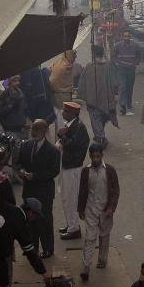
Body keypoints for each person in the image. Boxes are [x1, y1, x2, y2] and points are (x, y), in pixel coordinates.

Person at [14, 119, 60, 258]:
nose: (33, 132)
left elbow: (53, 171)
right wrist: (22, 172)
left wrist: (35, 176)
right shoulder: (26, 146)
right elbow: (18, 163)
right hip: (29, 190)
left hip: (44, 191)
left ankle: (48, 249)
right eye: (33, 129)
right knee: (30, 220)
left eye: (37, 130)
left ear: (44, 131)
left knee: (45, 221)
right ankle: (32, 247)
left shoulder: (52, 151)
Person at [78, 143, 120, 281]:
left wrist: (111, 208)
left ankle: (102, 259)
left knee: (104, 235)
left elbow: (115, 191)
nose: (95, 159)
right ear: (89, 156)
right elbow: (82, 191)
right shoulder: (86, 171)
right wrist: (80, 208)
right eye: (93, 156)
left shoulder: (110, 171)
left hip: (105, 210)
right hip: (90, 209)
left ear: (102, 155)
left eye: (98, 156)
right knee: (90, 238)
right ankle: (86, 267)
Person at [57, 102, 91, 240]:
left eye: (65, 111)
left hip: (72, 167)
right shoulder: (71, 125)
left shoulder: (78, 127)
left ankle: (74, 228)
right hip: (67, 165)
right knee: (66, 197)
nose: (63, 113)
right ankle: (70, 224)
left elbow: (72, 145)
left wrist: (61, 136)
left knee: (71, 198)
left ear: (73, 114)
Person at [78, 44, 119, 148]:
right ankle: (101, 136)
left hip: (93, 100)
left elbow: (82, 83)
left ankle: (100, 137)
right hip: (106, 99)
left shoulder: (89, 66)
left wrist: (84, 95)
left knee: (96, 119)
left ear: (94, 54)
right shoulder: (108, 66)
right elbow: (114, 82)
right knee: (101, 118)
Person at [114, 31, 142, 115]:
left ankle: (128, 103)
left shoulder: (135, 46)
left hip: (131, 69)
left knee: (129, 87)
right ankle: (123, 105)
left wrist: (136, 62)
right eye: (125, 36)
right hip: (121, 69)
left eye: (128, 36)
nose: (126, 38)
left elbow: (138, 55)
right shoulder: (117, 46)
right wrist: (116, 63)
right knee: (122, 86)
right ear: (122, 37)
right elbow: (113, 56)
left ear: (130, 37)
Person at [49, 50, 77, 131]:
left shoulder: (60, 62)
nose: (75, 56)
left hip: (59, 96)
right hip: (62, 97)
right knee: (63, 122)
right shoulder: (65, 66)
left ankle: (62, 140)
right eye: (74, 54)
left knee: (61, 121)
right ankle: (63, 141)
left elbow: (52, 79)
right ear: (69, 55)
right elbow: (53, 81)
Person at [0, 75, 27, 140]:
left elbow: (24, 108)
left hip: (21, 127)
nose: (17, 83)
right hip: (10, 127)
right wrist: (11, 106)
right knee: (13, 147)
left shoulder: (20, 92)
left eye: (18, 81)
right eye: (14, 81)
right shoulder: (5, 94)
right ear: (9, 83)